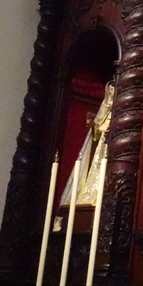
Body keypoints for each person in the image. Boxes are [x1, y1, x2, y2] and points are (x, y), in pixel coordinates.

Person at [58, 80, 114, 209]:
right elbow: (98, 126)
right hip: (103, 145)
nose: (111, 92)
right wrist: (94, 124)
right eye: (110, 90)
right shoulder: (106, 108)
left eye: (113, 90)